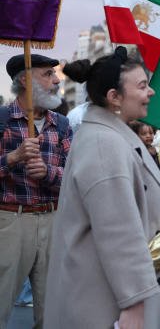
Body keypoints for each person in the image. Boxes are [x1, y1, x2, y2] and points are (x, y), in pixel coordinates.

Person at [44, 47, 160, 328]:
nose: (151, 92)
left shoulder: (110, 135)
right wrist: (134, 302)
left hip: (102, 293)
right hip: (103, 304)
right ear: (114, 97)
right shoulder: (105, 144)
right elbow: (117, 231)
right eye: (142, 86)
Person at [0, 53, 71, 329]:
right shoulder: (3, 120)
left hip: (53, 221)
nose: (56, 81)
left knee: (54, 312)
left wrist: (48, 174)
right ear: (25, 80)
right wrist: (13, 158)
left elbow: (75, 177)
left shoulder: (61, 124)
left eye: (55, 75)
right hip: (11, 222)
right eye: (48, 74)